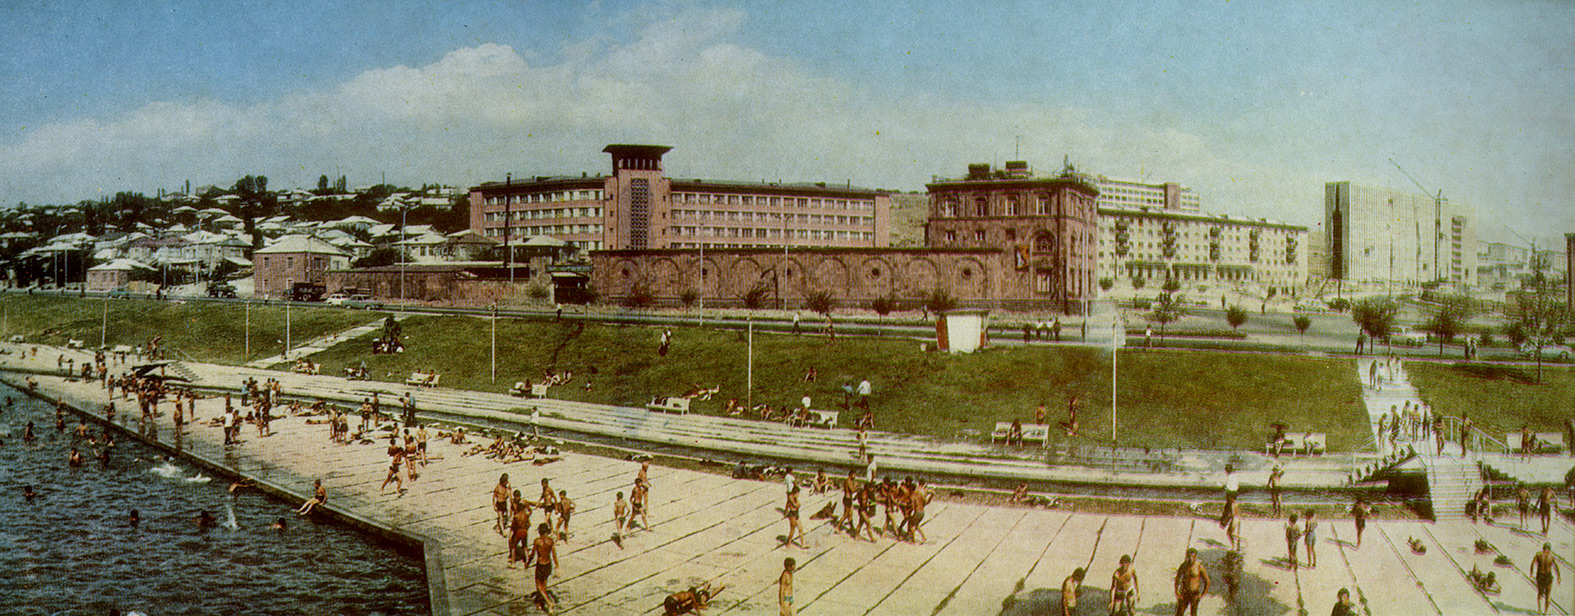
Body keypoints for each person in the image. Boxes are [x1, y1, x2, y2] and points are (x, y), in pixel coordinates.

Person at [526, 522, 559, 613]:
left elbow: (532, 554)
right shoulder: (550, 541)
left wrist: (528, 563)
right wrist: (557, 565)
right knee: (544, 584)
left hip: (540, 564)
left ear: (539, 531)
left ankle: (549, 603)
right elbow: (554, 554)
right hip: (548, 564)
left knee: (538, 585)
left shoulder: (537, 541)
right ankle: (541, 602)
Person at [1174, 548, 1210, 616]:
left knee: (1193, 614)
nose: (1190, 559)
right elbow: (1177, 579)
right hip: (1184, 593)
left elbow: (1207, 581)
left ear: (1195, 557)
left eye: (1192, 557)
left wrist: (1202, 594)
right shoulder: (1183, 566)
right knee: (1179, 613)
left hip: (1194, 593)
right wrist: (1177, 592)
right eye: (1189, 556)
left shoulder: (1199, 567)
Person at [1532, 542, 1560, 615]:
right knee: (1548, 595)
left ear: (1543, 548)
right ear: (1549, 550)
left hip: (1540, 576)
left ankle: (1539, 609)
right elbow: (1556, 567)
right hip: (1548, 577)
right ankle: (1546, 612)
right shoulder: (1551, 557)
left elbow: (1532, 564)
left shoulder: (1538, 555)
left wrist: (1531, 574)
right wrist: (1558, 577)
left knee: (1540, 593)